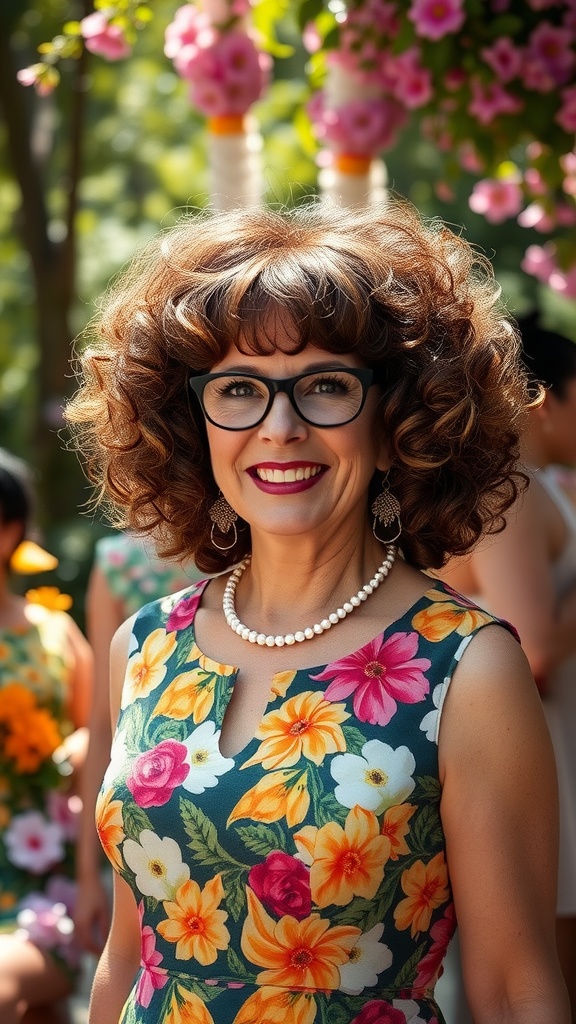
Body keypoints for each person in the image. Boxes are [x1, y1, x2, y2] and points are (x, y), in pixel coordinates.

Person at [65, 199, 569, 1024]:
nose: (281, 426)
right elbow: (129, 955)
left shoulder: (468, 667)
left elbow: (518, 991)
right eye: (238, 390)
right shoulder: (145, 645)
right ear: (191, 422)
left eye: (326, 386)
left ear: (398, 413)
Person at [438, 312, 576, 1022]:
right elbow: (536, 649)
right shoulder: (509, 492)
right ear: (545, 395)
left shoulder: (528, 486)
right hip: (537, 751)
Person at [0, 448, 93, 1024]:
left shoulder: (55, 634)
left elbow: (100, 737)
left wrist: (75, 750)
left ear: (10, 530)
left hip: (40, 892)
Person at [74, 532, 201, 954]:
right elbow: (102, 721)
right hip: (144, 796)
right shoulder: (121, 561)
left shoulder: (256, 537)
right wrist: (88, 876)